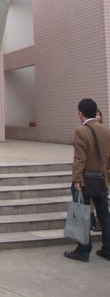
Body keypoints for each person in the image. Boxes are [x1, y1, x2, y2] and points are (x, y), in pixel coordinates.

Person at [64, 98, 110, 262]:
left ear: (80, 113)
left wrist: (77, 179)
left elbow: (80, 158)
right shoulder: (106, 130)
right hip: (102, 180)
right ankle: (108, 248)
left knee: (82, 215)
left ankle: (83, 249)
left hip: (85, 181)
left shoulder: (81, 131)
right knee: (104, 214)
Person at [90, 109, 104, 232]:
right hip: (92, 172)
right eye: (96, 115)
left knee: (101, 199)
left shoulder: (105, 131)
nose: (98, 117)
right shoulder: (86, 131)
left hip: (102, 172)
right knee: (92, 198)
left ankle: (100, 220)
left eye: (99, 115)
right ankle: (92, 219)